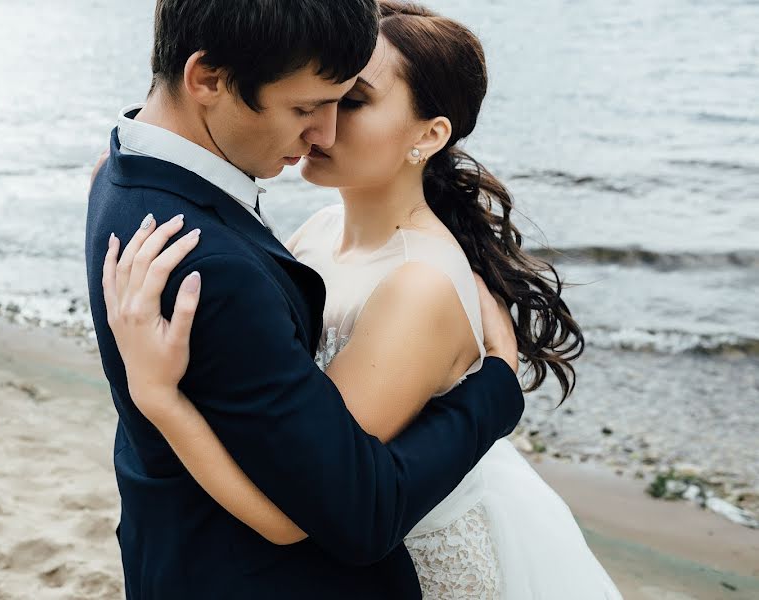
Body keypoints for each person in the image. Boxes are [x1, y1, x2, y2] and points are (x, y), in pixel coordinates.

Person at [99, 2, 623, 598]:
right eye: (316, 95)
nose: (322, 127)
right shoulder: (317, 231)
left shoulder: (416, 285)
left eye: (350, 99)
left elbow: (315, 508)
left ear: (429, 135)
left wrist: (158, 398)